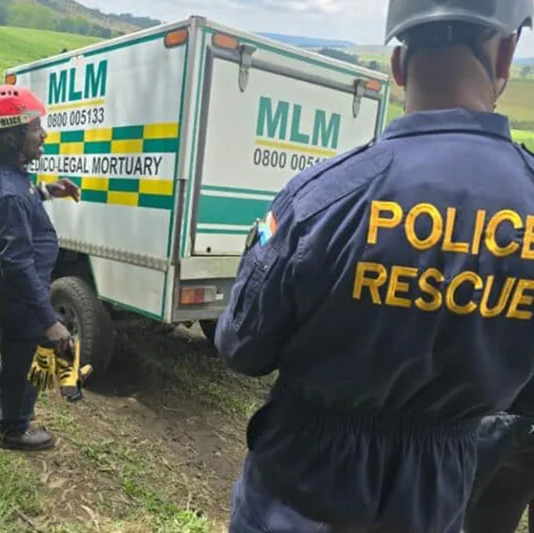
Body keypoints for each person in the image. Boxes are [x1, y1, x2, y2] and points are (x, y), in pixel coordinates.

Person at [215, 1, 534, 532]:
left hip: (296, 499)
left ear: (398, 64)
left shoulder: (323, 199)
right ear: (505, 56)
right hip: (434, 500)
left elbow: (241, 347)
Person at [0, 85, 80, 451]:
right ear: (10, 136)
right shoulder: (8, 194)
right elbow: (17, 264)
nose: (43, 134)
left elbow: (17, 198)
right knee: (27, 364)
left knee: (15, 359)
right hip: (17, 294)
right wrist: (49, 320)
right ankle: (13, 428)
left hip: (3, 288)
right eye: (34, 128)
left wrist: (47, 191)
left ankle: (2, 411)